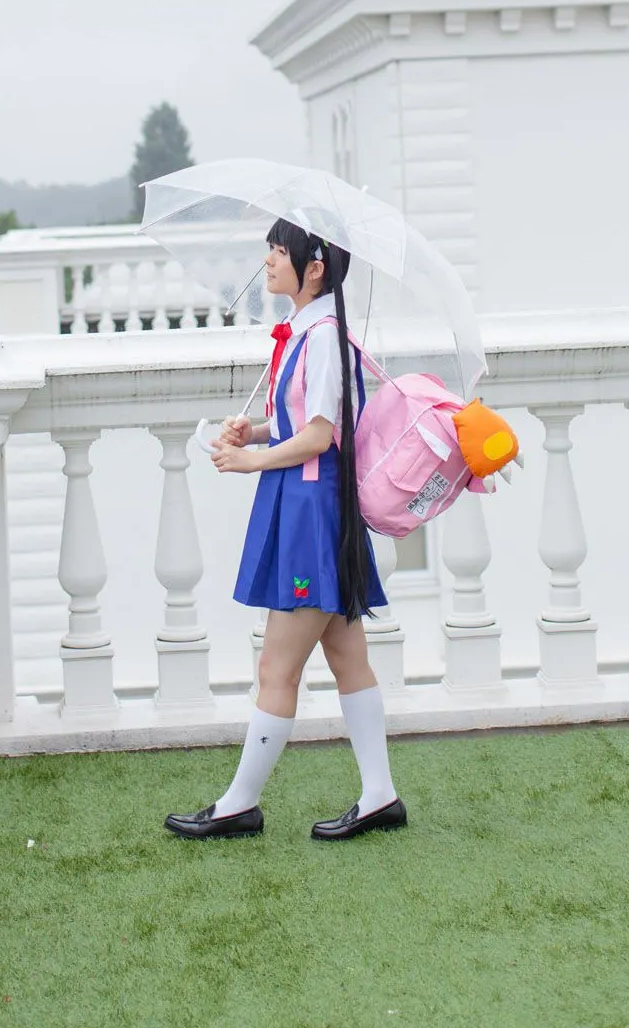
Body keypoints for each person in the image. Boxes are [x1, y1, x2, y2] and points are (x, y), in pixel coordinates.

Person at [164, 219, 407, 842]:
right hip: (314, 507)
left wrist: (249, 459)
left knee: (277, 667)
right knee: (348, 658)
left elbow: (322, 436)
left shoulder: (323, 336)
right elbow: (303, 424)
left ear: (315, 265)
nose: (268, 260)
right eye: (271, 249)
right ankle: (380, 796)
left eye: (280, 250)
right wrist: (256, 432)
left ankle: (239, 804)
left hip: (309, 512)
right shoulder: (311, 333)